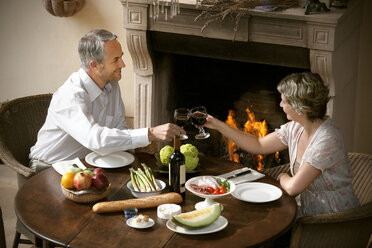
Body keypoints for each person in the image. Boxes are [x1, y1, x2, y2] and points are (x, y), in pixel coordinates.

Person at [203, 72, 359, 217]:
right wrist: (217, 125)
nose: (280, 105)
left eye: (284, 101)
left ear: (300, 108)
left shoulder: (327, 139)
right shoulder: (297, 127)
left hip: (332, 217)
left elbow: (292, 188)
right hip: (304, 208)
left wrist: (282, 176)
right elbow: (258, 145)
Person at [29, 29, 185, 172]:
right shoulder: (71, 95)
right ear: (94, 65)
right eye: (115, 60)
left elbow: (119, 128)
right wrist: (149, 133)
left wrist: (136, 147)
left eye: (121, 57)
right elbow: (95, 139)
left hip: (86, 165)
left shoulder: (112, 84)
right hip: (49, 167)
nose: (122, 64)